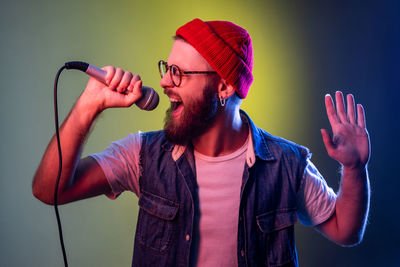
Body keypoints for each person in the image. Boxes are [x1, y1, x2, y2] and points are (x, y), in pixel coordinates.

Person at [32, 18, 371, 267]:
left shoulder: (286, 164)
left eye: (178, 72)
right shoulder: (142, 156)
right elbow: (49, 190)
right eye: (166, 68)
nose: (164, 82)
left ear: (224, 87)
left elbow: (345, 230)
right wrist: (89, 104)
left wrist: (354, 169)